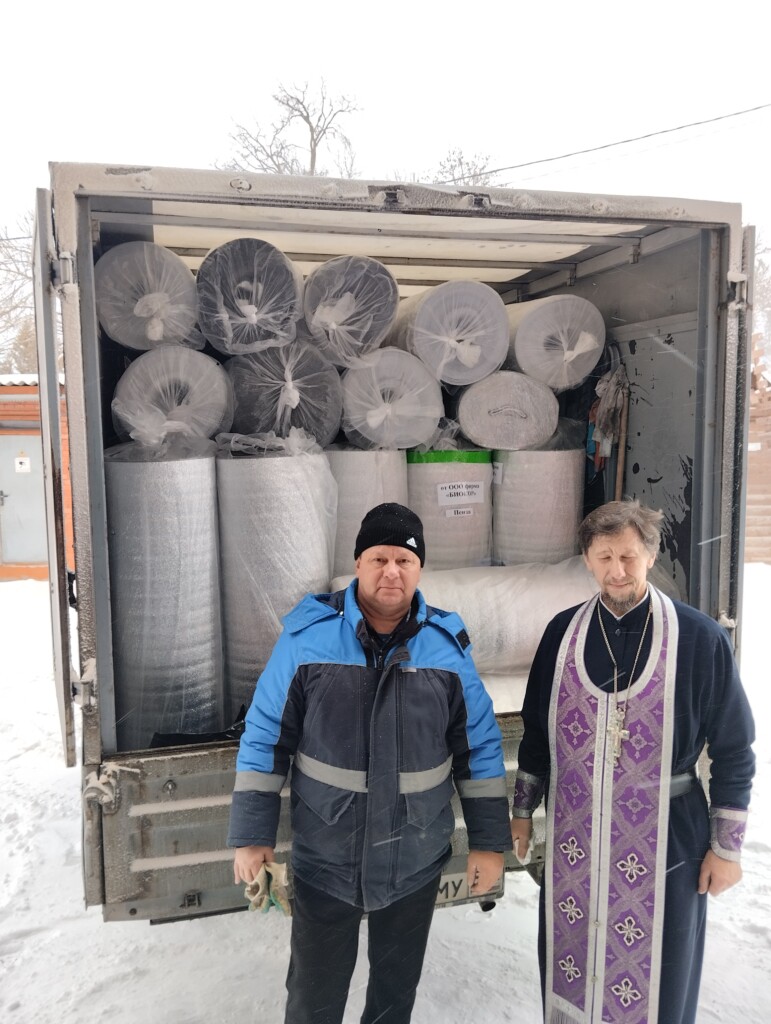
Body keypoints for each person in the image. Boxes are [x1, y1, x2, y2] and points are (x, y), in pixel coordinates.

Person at [228, 502, 512, 1024]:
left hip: (415, 858)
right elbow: (266, 735)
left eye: (404, 560)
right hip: (326, 857)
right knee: (313, 1000)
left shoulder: (446, 648)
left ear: (420, 569)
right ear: (358, 563)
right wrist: (251, 833)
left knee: (394, 999)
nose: (391, 571)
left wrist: (489, 844)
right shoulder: (307, 640)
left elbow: (480, 748)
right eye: (379, 558)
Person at [510, 499, 755, 1024]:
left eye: (627, 556)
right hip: (577, 836)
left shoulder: (699, 639)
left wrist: (726, 849)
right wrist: (523, 811)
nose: (616, 571)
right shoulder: (562, 635)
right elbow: (536, 732)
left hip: (670, 837)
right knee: (572, 962)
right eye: (604, 558)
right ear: (587, 560)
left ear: (650, 555)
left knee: (661, 974)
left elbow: (734, 748)